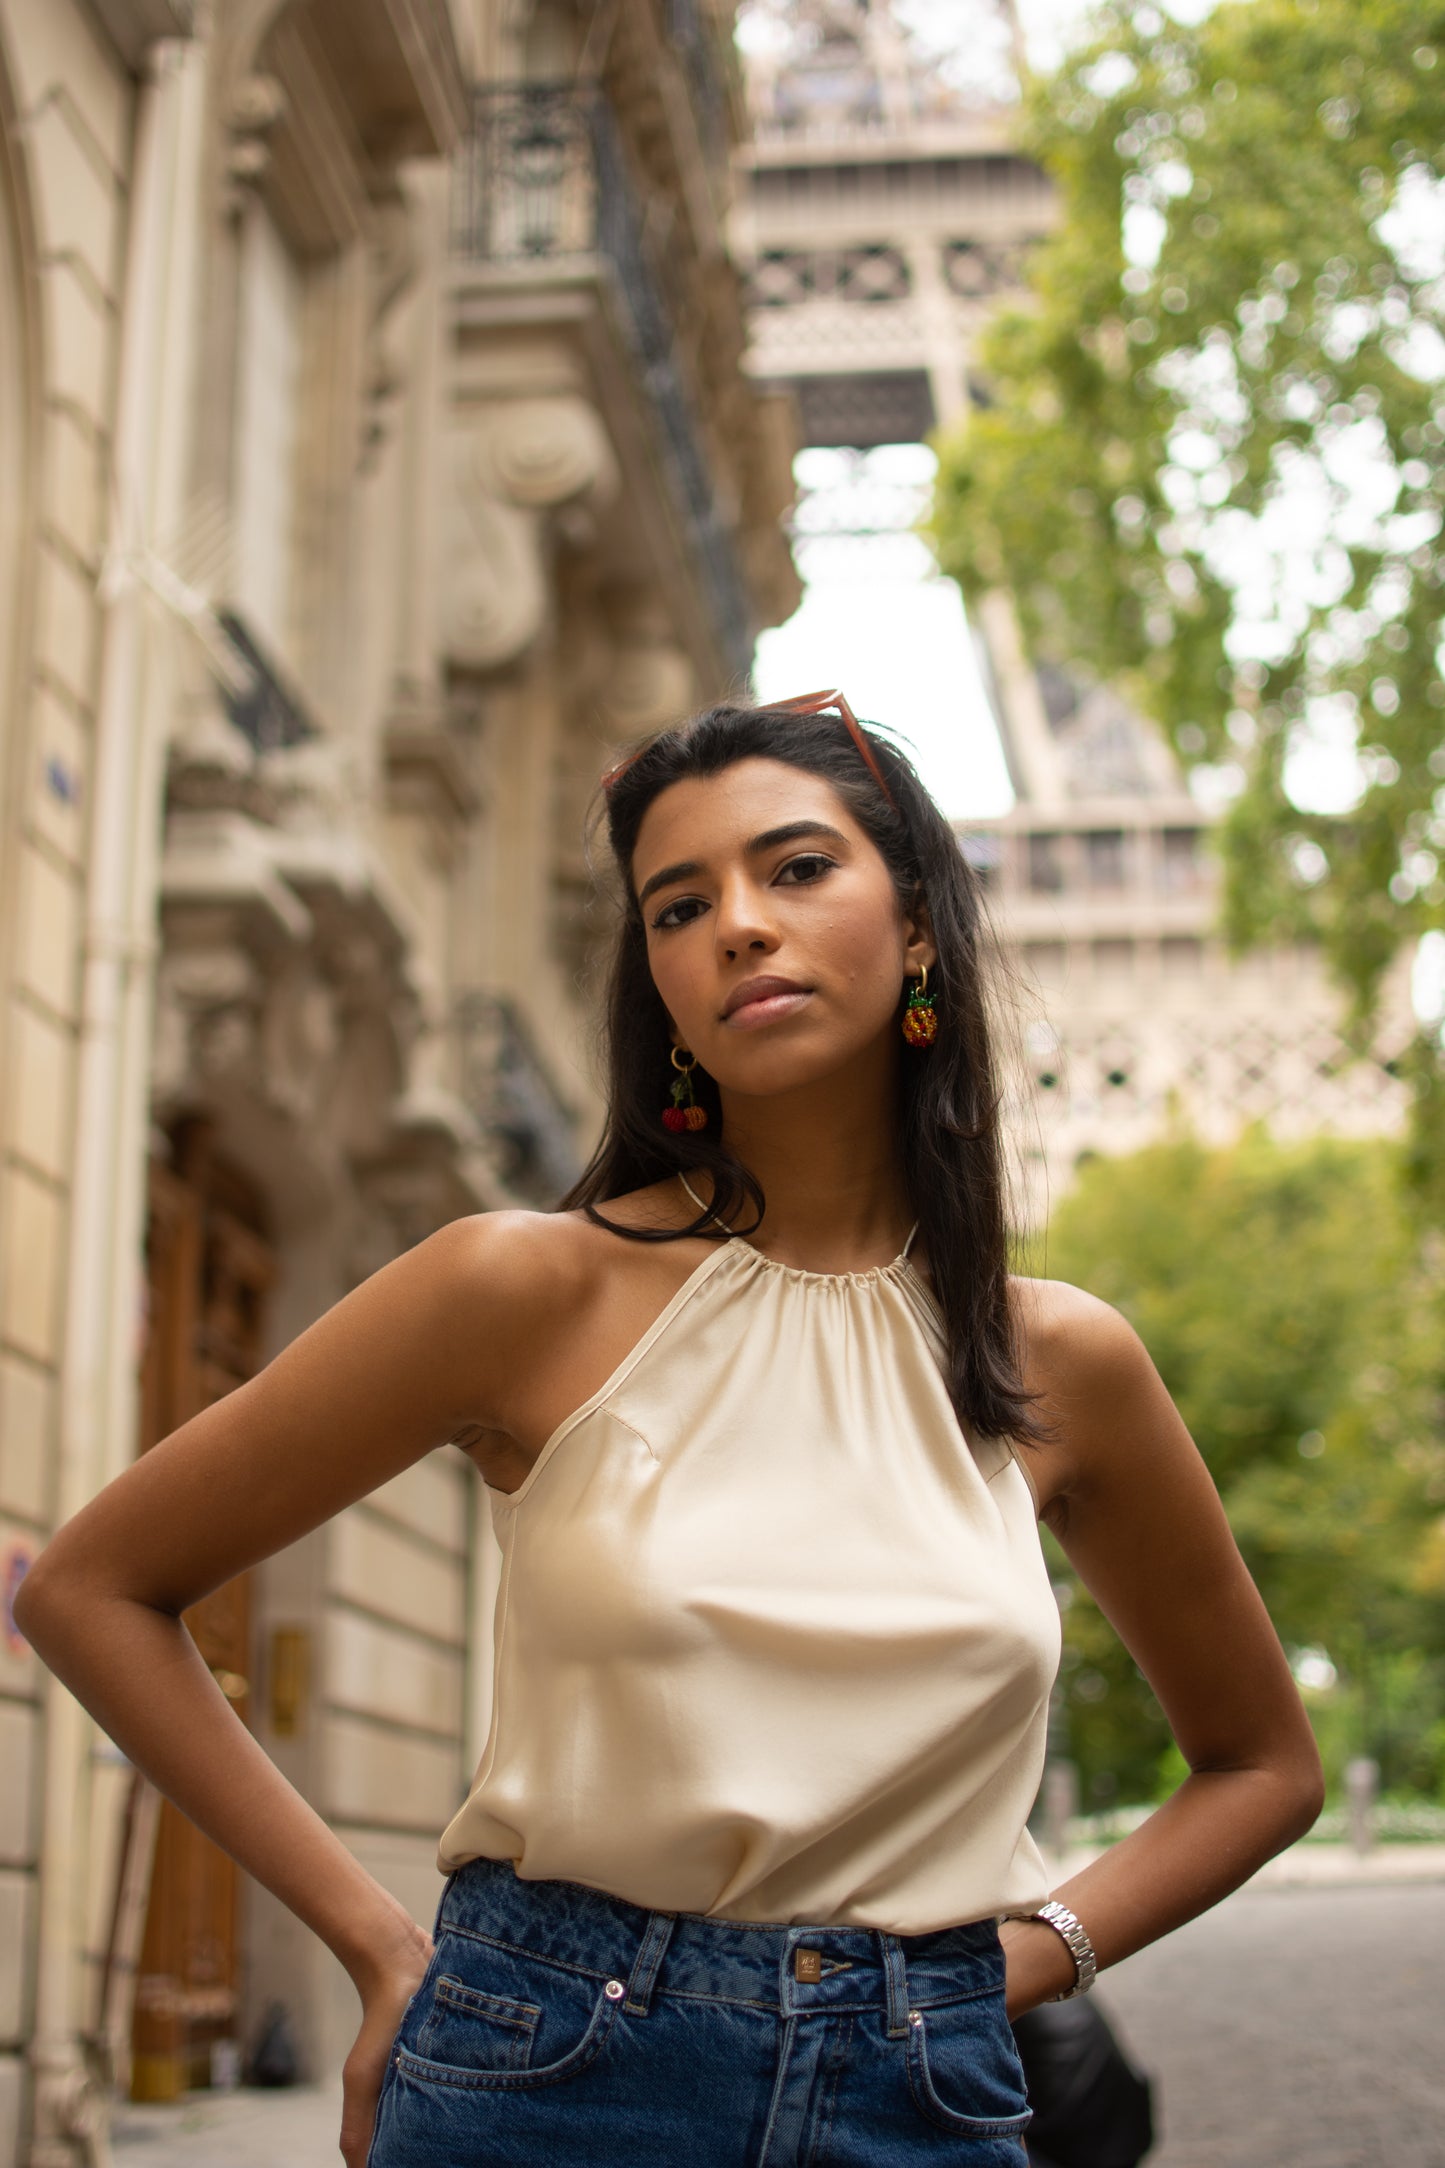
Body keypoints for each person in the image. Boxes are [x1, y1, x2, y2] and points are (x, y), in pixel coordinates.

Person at [17, 694, 1324, 2167]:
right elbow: (92, 1588)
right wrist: (378, 1946)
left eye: (798, 869)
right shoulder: (518, 1288)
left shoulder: (1060, 1360)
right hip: (550, 2075)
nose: (740, 927)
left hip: (922, 2093)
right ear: (658, 983)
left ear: (915, 932)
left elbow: (1262, 1764)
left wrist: (1018, 1963)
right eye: (678, 905)